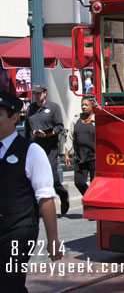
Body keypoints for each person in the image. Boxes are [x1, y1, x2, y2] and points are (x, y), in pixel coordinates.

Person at [0, 92, 63, 291]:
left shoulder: (31, 151)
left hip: (19, 229)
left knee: (9, 283)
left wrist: (52, 239)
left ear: (14, 118)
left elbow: (45, 197)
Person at [24, 83, 69, 215]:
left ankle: (62, 194)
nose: (36, 96)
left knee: (52, 178)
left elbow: (59, 127)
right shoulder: (30, 109)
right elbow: (27, 129)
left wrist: (47, 134)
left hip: (50, 148)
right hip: (34, 147)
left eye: (38, 93)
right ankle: (38, 208)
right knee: (34, 178)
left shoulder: (53, 108)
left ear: (45, 93)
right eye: (34, 93)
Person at [64, 98, 95, 196]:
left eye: (86, 105)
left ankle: (93, 204)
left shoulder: (96, 120)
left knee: (95, 184)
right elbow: (70, 136)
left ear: (92, 106)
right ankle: (89, 197)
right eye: (82, 105)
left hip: (94, 157)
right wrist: (66, 153)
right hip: (80, 156)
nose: (83, 107)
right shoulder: (76, 119)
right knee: (79, 182)